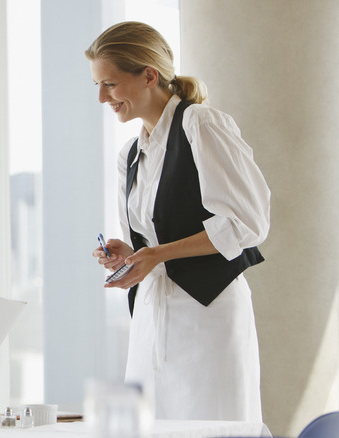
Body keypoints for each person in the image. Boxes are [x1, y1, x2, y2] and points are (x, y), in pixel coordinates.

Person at [86, 22, 270, 421]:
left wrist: (157, 253)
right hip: (152, 320)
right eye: (98, 86)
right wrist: (131, 254)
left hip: (209, 320)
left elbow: (248, 222)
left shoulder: (200, 124)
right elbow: (156, 242)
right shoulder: (131, 154)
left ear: (149, 75)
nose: (102, 97)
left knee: (213, 425)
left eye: (110, 84)